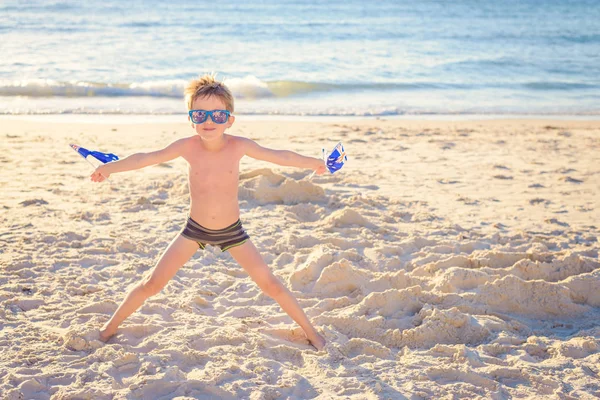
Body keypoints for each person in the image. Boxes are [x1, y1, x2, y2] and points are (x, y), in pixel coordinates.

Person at [91, 74, 327, 350]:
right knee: (151, 284)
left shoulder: (239, 145)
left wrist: (314, 163)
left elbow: (280, 155)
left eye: (217, 115)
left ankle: (311, 332)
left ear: (229, 119)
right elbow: (146, 158)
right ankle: (108, 329)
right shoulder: (186, 146)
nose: (208, 121)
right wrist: (109, 168)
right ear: (190, 118)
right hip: (194, 230)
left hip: (232, 231)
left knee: (271, 284)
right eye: (200, 114)